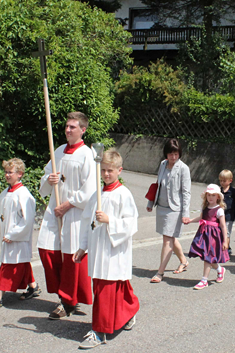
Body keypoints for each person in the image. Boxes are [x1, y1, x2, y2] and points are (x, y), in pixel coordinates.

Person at [74, 150, 139, 349]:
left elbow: (131, 223)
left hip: (114, 251)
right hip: (97, 249)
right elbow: (87, 222)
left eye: (110, 170)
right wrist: (82, 246)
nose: (106, 174)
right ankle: (128, 312)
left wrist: (110, 220)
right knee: (107, 288)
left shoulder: (123, 194)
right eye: (103, 170)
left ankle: (99, 331)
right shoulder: (97, 195)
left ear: (119, 170)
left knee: (107, 290)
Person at [37, 112, 96, 319]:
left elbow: (90, 188)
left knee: (71, 258)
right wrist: (49, 178)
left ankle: (67, 301)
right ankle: (62, 293)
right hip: (55, 209)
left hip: (74, 214)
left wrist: (68, 205)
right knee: (46, 249)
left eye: (72, 127)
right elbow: (45, 177)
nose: (68, 130)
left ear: (83, 130)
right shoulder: (59, 150)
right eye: (67, 126)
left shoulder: (86, 154)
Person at [0, 158, 39, 308]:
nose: (7, 175)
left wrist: (13, 235)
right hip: (8, 238)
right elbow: (1, 214)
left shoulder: (24, 194)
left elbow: (28, 219)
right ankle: (33, 286)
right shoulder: (5, 193)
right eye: (6, 172)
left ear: (20, 174)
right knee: (21, 262)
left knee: (9, 266)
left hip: (17, 239)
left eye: (10, 172)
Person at [148, 138, 192, 283]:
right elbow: (157, 184)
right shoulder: (162, 164)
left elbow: (186, 193)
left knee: (167, 240)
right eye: (170, 154)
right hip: (161, 207)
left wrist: (186, 214)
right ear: (166, 154)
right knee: (171, 237)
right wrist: (151, 202)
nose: (173, 157)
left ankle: (160, 272)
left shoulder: (183, 168)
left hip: (175, 209)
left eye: (176, 154)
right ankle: (184, 261)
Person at [188, 184, 230, 290]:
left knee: (208, 257)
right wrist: (190, 221)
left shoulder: (219, 210)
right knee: (208, 256)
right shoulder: (205, 208)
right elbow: (201, 218)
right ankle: (220, 270)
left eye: (213, 195)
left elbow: (223, 226)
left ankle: (204, 280)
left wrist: (225, 241)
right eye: (209, 195)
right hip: (204, 234)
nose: (210, 197)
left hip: (213, 236)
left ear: (218, 197)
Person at [219, 170, 235, 255]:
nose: (222, 183)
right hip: (219, 216)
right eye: (220, 181)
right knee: (219, 232)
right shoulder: (218, 190)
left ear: (230, 181)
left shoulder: (233, 191)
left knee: (226, 233)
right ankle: (225, 246)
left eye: (224, 181)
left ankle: (225, 250)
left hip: (229, 216)